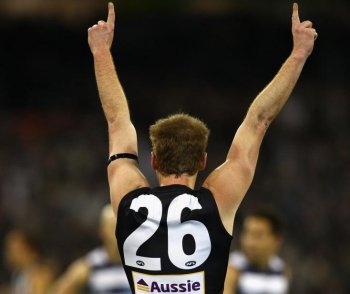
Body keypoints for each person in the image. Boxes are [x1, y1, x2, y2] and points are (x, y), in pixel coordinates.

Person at [87, 2, 317, 293]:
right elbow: (259, 120)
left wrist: (101, 53)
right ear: (203, 161)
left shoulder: (128, 200)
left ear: (154, 160)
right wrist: (298, 54)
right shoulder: (217, 202)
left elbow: (116, 120)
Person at [53, 205, 131, 293]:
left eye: (124, 227)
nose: (120, 232)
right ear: (102, 232)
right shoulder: (90, 266)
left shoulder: (140, 262)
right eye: (114, 227)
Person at [223, 209, 290, 294]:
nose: (249, 242)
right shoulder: (231, 269)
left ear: (277, 239)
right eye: (247, 233)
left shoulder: (282, 270)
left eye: (258, 235)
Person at [4, 228, 56, 294]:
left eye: (16, 250)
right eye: (8, 249)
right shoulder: (19, 274)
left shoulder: (41, 274)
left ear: (31, 250)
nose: (10, 253)